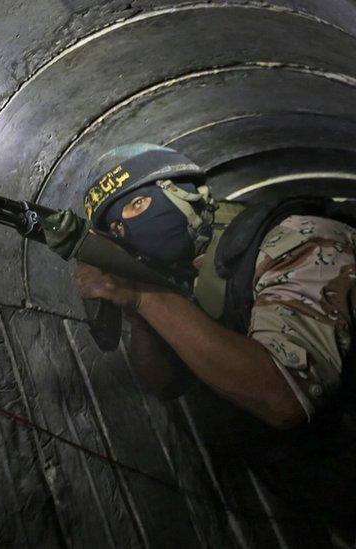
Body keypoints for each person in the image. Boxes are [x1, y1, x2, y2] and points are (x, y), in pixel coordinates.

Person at [73, 143, 356, 533]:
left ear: (186, 193)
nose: (128, 230)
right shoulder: (189, 278)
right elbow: (166, 383)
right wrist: (137, 312)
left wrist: (145, 296)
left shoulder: (297, 239)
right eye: (116, 229)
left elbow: (287, 397)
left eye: (137, 205)